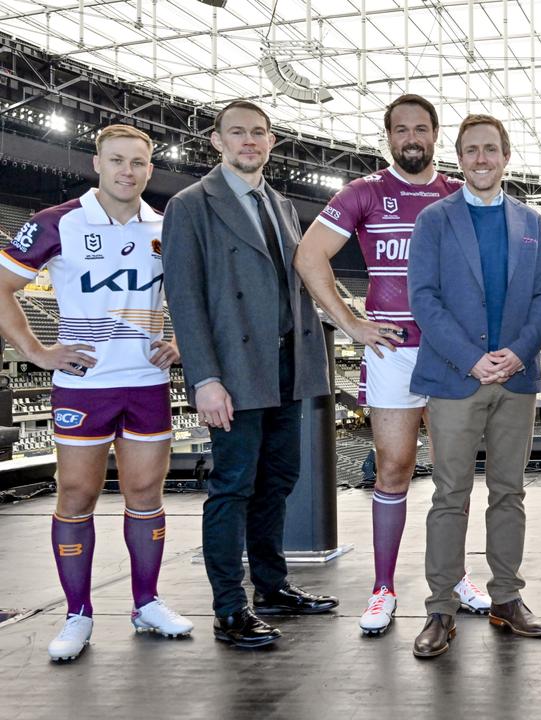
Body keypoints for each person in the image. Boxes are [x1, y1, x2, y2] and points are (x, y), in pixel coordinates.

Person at [294, 94, 489, 636]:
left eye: (421, 128)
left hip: (452, 353)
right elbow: (309, 257)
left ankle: (454, 579)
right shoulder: (364, 193)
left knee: (453, 474)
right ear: (388, 137)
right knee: (394, 467)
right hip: (392, 348)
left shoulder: (458, 192)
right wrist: (351, 322)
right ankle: (383, 588)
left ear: (434, 135)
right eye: (400, 129)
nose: (411, 138)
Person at [0, 124, 192, 661]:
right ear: (98, 164)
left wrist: (180, 341)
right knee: (77, 495)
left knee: (145, 496)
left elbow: (196, 292)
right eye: (116, 161)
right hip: (85, 387)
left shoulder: (167, 225)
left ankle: (146, 603)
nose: (127, 171)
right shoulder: (56, 223)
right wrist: (38, 352)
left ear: (150, 169)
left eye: (137, 162)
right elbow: (2, 286)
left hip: (148, 383)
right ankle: (78, 614)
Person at [163, 100, 338, 648]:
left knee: (278, 481)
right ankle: (229, 609)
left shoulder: (281, 203)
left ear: (271, 141)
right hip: (235, 371)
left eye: (259, 133)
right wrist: (205, 378)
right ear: (216, 141)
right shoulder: (191, 205)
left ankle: (271, 586)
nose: (249, 141)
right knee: (233, 487)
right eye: (237, 133)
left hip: (288, 366)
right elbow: (186, 299)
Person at [406, 114, 541, 658]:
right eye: (471, 150)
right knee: (449, 495)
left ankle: (506, 599)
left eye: (490, 149)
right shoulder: (434, 221)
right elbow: (423, 298)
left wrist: (517, 353)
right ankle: (440, 609)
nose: (481, 159)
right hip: (454, 378)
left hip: (516, 379)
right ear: (459, 157)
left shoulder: (531, 221)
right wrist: (473, 359)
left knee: (509, 492)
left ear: (506, 155)